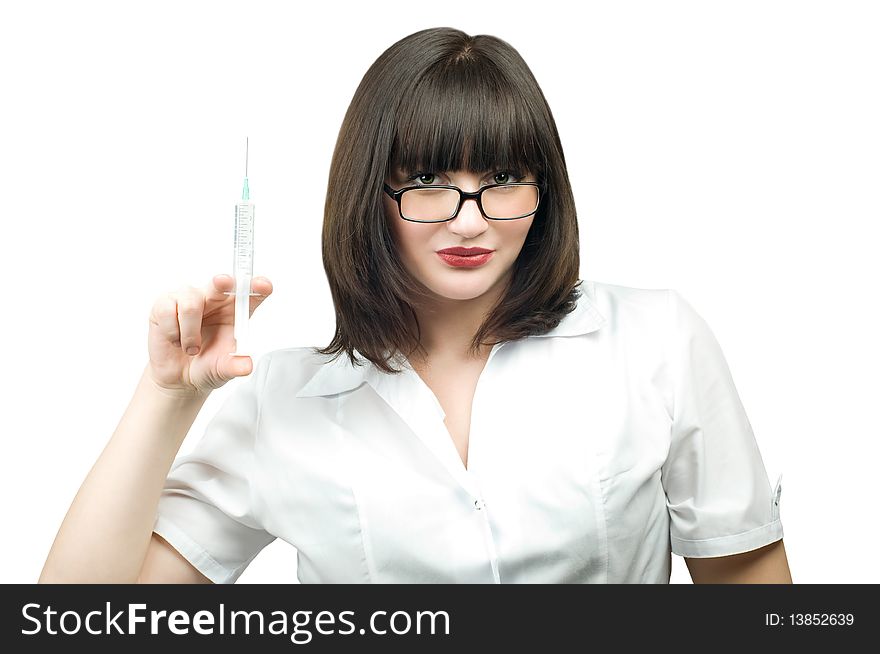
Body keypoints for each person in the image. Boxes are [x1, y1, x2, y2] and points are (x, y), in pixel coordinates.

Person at [39, 27, 791, 584]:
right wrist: (165, 397)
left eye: (502, 177)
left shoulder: (655, 339)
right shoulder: (281, 402)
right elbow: (78, 621)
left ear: (545, 190)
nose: (470, 220)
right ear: (373, 195)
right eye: (427, 180)